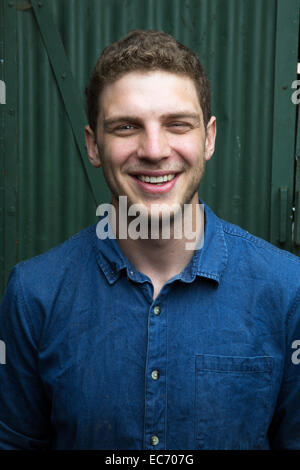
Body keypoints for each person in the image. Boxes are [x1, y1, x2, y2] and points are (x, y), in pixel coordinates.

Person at [0, 29, 300, 451]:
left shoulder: (288, 291)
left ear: (209, 138)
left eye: (178, 124)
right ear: (93, 145)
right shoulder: (34, 295)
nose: (155, 149)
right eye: (126, 126)